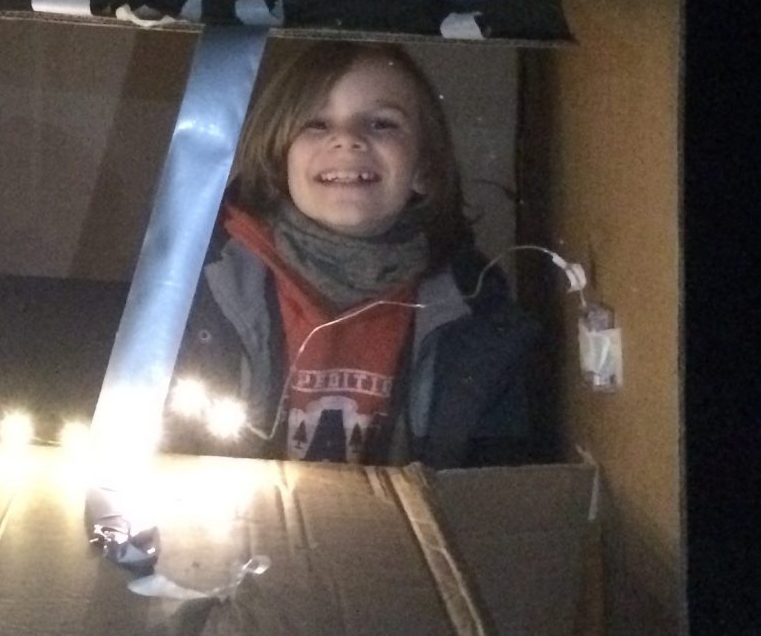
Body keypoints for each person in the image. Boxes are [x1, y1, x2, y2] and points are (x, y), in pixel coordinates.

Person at [170, 41, 539, 468]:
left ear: (424, 169)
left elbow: (495, 482)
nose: (347, 139)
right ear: (279, 158)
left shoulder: (479, 316)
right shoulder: (197, 289)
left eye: (382, 124)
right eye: (316, 123)